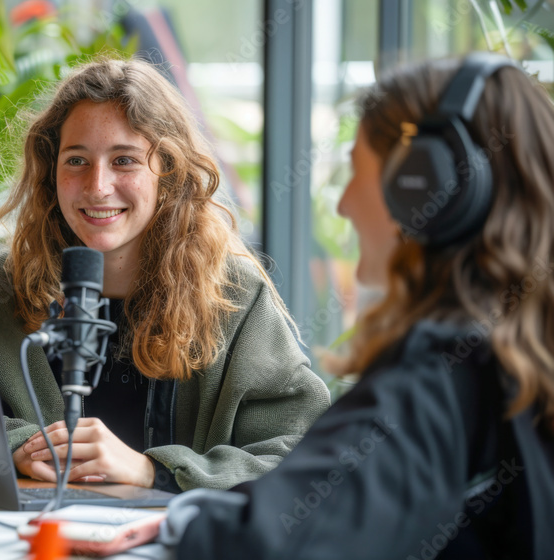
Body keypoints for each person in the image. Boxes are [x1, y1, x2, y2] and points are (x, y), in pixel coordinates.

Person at [161, 53, 554, 559]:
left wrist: (179, 520)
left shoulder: (439, 370)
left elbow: (269, 542)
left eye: (356, 171)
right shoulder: (519, 354)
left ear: (426, 185)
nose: (344, 204)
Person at [0, 58, 330, 492]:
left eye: (124, 160)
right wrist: (19, 447)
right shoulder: (6, 284)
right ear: (51, 171)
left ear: (169, 170)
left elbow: (303, 452)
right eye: (76, 160)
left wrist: (152, 471)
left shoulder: (233, 295)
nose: (97, 186)